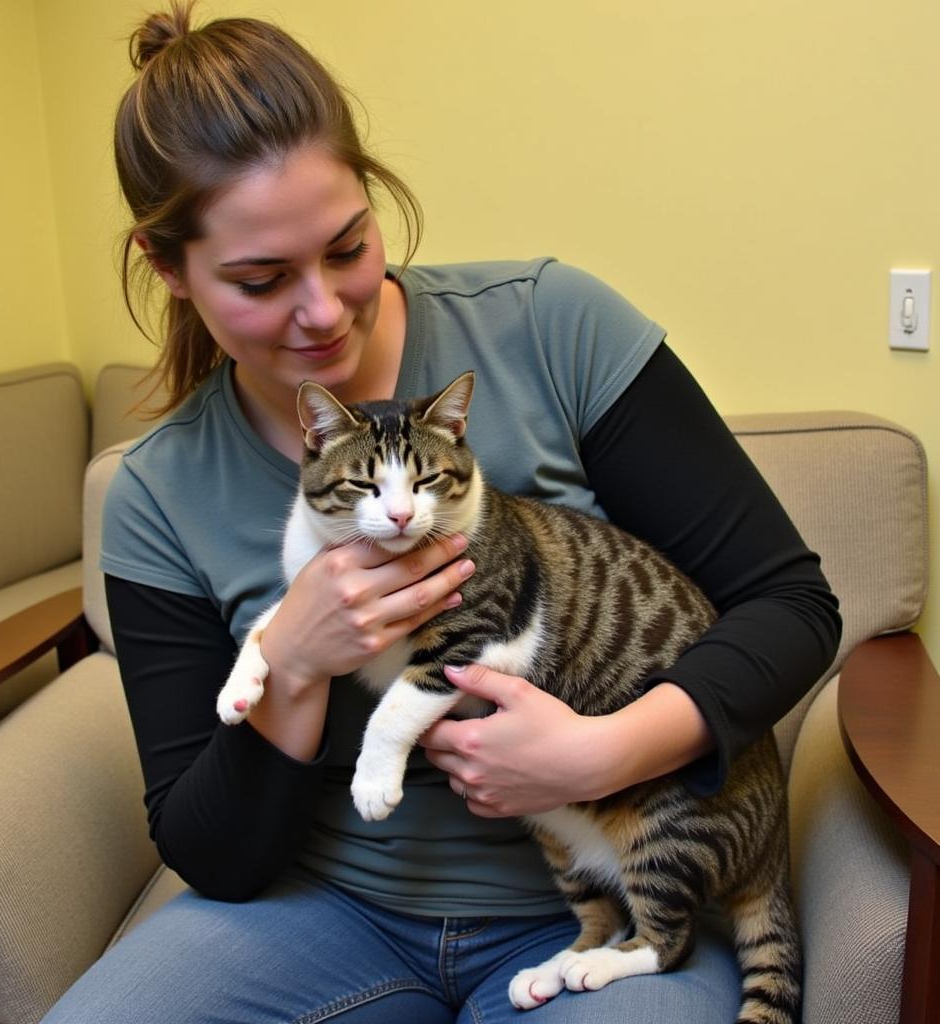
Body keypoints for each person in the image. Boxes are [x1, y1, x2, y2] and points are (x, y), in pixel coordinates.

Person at [42, 4, 841, 1022]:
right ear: (171, 272)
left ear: (374, 200)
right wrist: (295, 657)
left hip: (593, 896)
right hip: (323, 911)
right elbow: (211, 852)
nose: (323, 309)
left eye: (346, 247)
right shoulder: (155, 492)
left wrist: (605, 752)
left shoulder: (552, 327)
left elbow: (790, 604)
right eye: (260, 278)